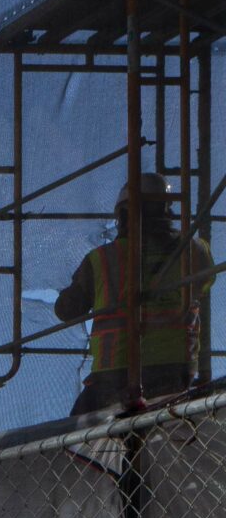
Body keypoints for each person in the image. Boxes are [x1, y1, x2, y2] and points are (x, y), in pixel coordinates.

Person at [55, 176, 213, 414]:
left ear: (124, 214)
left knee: (77, 435)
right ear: (167, 207)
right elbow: (204, 283)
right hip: (177, 370)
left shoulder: (102, 259)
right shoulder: (195, 251)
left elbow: (66, 310)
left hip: (116, 372)